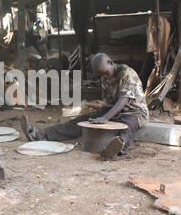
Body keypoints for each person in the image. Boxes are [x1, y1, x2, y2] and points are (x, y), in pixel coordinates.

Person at [20, 53, 149, 158]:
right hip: (115, 111)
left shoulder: (126, 73)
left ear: (110, 62)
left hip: (135, 112)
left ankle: (115, 150)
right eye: (101, 75)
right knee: (82, 121)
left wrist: (105, 118)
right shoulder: (105, 77)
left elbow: (123, 100)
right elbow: (111, 103)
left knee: (127, 126)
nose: (104, 76)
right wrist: (102, 105)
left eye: (105, 73)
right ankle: (41, 134)